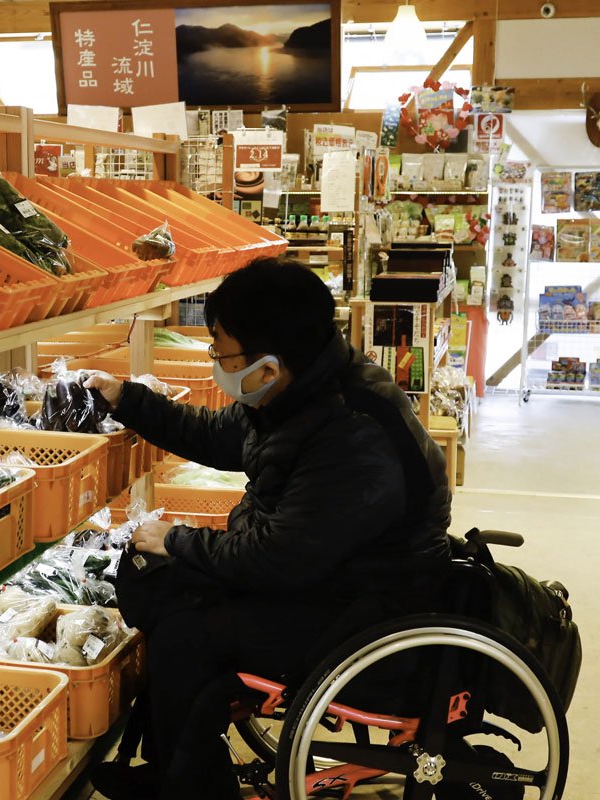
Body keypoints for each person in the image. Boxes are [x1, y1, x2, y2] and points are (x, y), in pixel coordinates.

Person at [86, 258, 452, 800]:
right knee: (162, 585)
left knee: (186, 631)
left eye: (220, 350)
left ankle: (189, 787)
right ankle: (172, 766)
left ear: (269, 363)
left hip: (365, 607)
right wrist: (127, 399)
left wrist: (180, 539)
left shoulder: (351, 432)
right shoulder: (298, 392)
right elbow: (214, 435)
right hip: (330, 578)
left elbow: (282, 558)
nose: (214, 361)